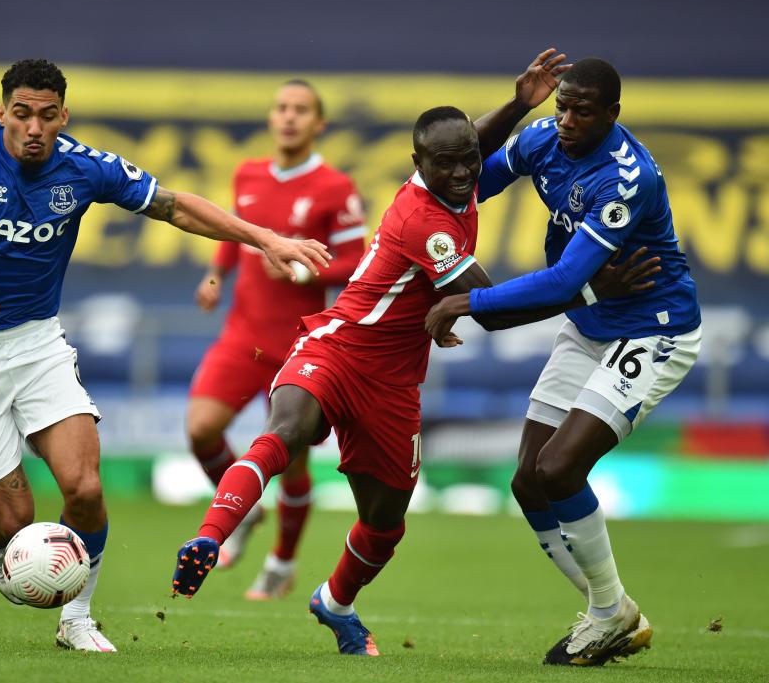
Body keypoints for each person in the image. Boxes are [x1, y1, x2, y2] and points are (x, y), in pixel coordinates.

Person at [170, 50, 657, 656]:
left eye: (468, 163)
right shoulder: (426, 220)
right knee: (285, 431)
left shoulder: (457, 174)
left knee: (384, 524)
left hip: (396, 381)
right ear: (418, 165)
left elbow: (462, 143)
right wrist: (588, 288)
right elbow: (493, 307)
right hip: (340, 346)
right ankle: (212, 538)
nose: (461, 174)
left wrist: (517, 104)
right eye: (446, 164)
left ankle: (335, 602)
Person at [0, 59, 331, 653]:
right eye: (21, 114)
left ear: (63, 117)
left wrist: (265, 238)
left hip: (36, 345)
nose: (34, 127)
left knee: (84, 486)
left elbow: (176, 205)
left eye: (47, 116)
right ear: (1, 112)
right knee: (14, 517)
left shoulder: (84, 167)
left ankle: (76, 619)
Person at [424, 58, 701, 666]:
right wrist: (517, 107)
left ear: (612, 114)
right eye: (563, 106)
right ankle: (613, 610)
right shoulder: (545, 138)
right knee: (528, 480)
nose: (569, 120)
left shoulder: (625, 179)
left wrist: (466, 300)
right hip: (590, 325)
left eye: (583, 111)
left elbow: (564, 281)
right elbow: (465, 183)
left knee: (558, 468)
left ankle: (607, 615)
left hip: (652, 331)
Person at [188, 79, 366, 599]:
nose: (288, 117)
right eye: (282, 108)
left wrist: (308, 273)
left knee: (291, 458)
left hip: (299, 342)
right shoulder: (247, 173)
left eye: (301, 110)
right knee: (201, 430)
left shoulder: (335, 188)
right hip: (243, 333)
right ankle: (243, 511)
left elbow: (357, 261)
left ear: (319, 124)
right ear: (271, 118)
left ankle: (282, 564)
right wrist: (215, 276)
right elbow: (231, 232)